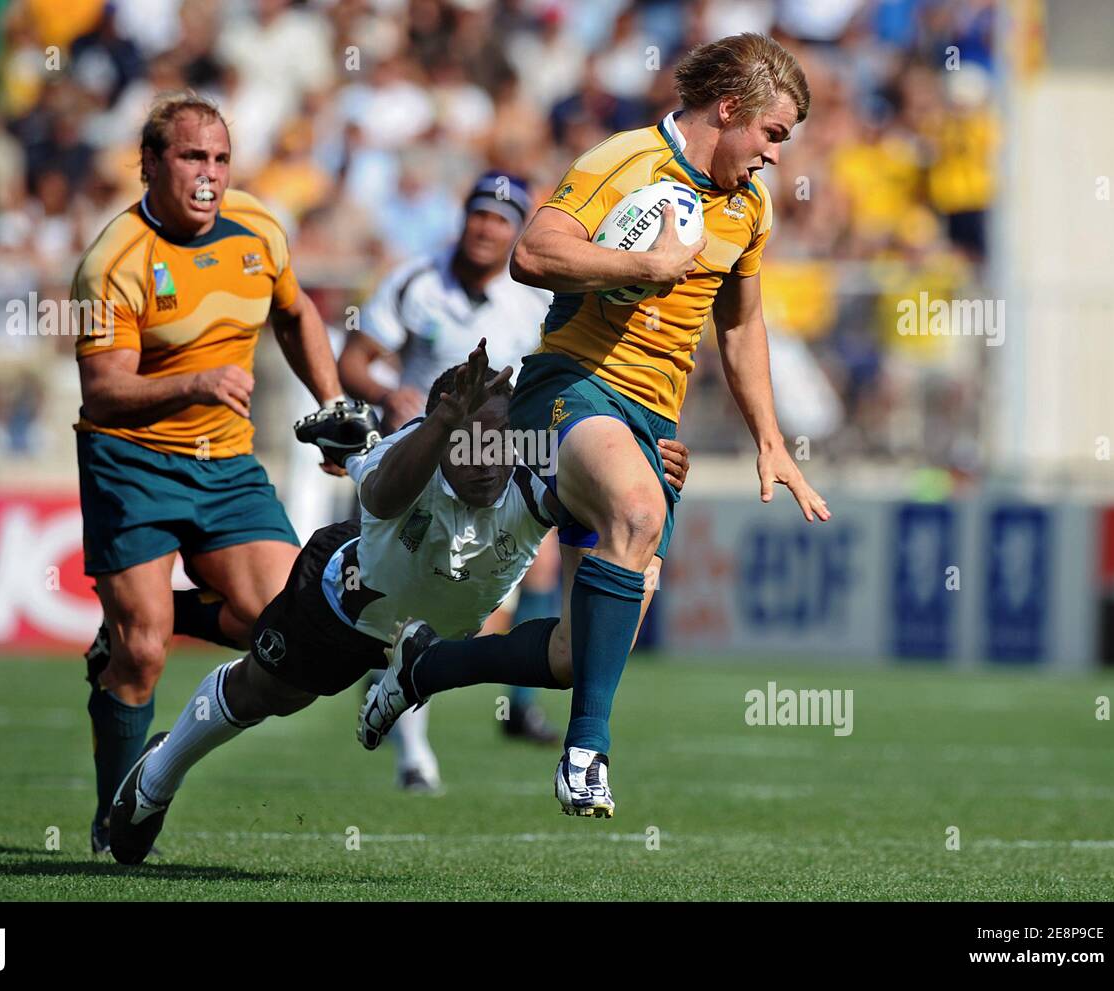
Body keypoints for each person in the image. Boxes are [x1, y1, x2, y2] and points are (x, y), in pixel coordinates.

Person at [369, 34, 831, 819]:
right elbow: (534, 251)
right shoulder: (623, 161)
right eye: (773, 135)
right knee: (639, 510)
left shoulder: (749, 208)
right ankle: (586, 755)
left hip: (653, 418)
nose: (776, 157)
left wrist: (770, 438)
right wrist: (644, 268)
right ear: (731, 109)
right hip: (569, 386)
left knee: (579, 654)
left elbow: (741, 323)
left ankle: (426, 667)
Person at [106, 341, 691, 864]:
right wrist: (434, 428)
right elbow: (382, 494)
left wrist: (651, 474)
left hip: (433, 629)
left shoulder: (538, 469)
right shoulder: (407, 453)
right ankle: (156, 778)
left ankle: (420, 669)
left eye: (501, 438)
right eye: (469, 439)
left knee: (580, 655)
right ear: (440, 435)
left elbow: (617, 514)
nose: (488, 454)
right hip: (342, 606)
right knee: (268, 695)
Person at [72, 92, 353, 854]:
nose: (211, 174)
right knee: (143, 654)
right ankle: (116, 825)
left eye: (221, 159)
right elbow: (103, 390)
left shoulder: (259, 228)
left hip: (225, 464)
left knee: (292, 627)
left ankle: (152, 617)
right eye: (194, 157)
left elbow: (296, 314)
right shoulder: (113, 260)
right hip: (131, 461)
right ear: (151, 163)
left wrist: (333, 403)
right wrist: (192, 383)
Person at [338, 171, 562, 792]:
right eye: (477, 215)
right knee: (408, 604)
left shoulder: (536, 299)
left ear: (518, 231)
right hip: (417, 464)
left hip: (494, 468)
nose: (485, 228)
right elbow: (353, 360)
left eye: (500, 219)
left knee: (527, 579)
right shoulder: (416, 281)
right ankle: (414, 752)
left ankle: (516, 708)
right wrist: (388, 391)